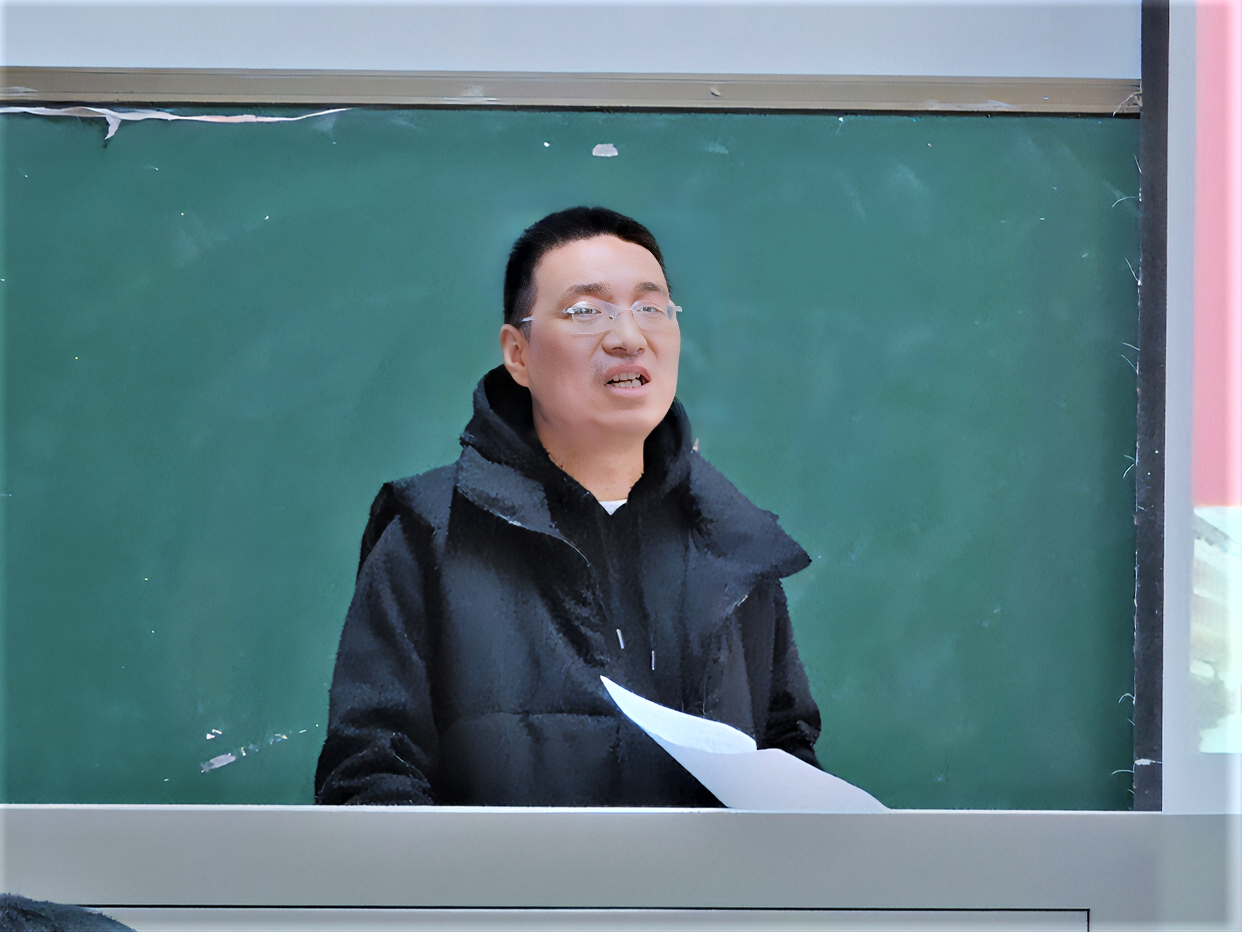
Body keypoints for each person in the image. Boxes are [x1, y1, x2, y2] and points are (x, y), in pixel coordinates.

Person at [314, 207, 822, 806]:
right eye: (586, 312)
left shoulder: (735, 545)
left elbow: (787, 759)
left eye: (651, 308)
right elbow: (371, 775)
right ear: (518, 353)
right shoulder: (430, 533)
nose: (628, 337)